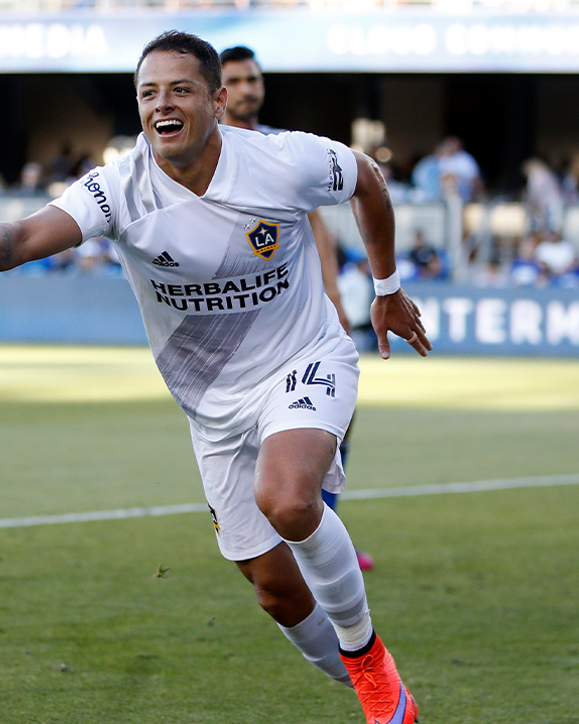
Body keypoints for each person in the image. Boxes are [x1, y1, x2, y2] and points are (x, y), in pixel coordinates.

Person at [0, 31, 428, 724]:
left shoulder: (283, 160)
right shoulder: (118, 188)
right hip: (212, 409)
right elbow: (22, 238)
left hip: (304, 358)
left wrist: (387, 286)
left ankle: (370, 665)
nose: (161, 104)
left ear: (218, 101)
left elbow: (368, 182)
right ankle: (383, 697)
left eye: (180, 89)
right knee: (276, 593)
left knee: (287, 498)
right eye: (147, 93)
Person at [219, 44, 376, 572]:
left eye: (253, 79)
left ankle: (321, 530)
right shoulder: (202, 154)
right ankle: (269, 540)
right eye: (236, 80)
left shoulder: (280, 150)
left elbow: (314, 223)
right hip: (235, 324)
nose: (248, 88)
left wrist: (333, 294)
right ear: (217, 92)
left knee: (338, 413)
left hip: (299, 317)